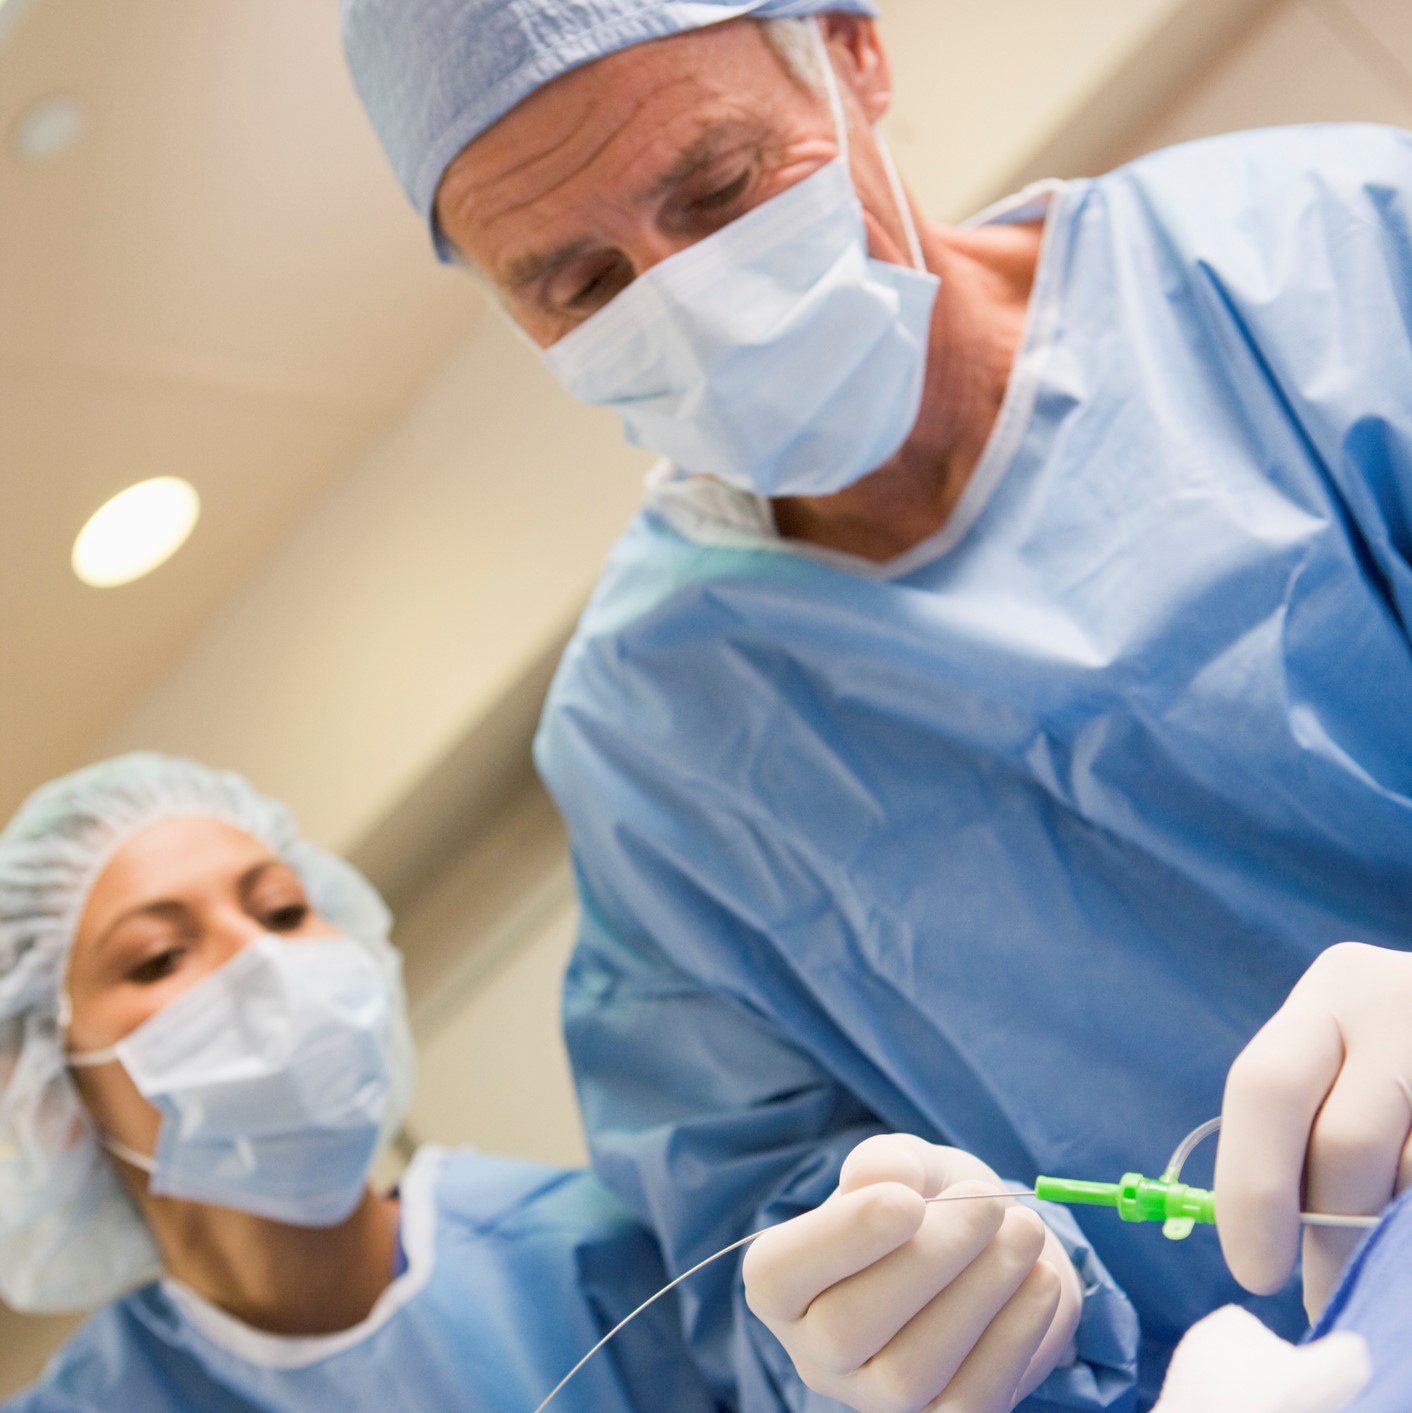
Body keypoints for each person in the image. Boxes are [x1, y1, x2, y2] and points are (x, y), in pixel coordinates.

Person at [341, 1, 1412, 1406]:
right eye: (581, 284)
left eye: (720, 190)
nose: (689, 298)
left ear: (853, 54)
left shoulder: (1328, 257)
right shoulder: (645, 749)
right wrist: (895, 1335)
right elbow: (756, 1245)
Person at [0, 753, 719, 1412]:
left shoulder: (609, 1259)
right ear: (45, 1096)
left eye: (283, 910)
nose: (263, 960)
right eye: (158, 957)